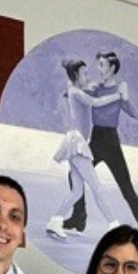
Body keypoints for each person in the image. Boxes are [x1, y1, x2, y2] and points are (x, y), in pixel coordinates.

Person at [59, 50, 138, 250]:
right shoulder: (96, 88)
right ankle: (79, 217)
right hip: (96, 140)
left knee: (127, 189)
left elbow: (135, 114)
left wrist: (125, 98)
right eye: (98, 65)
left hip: (111, 142)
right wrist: (72, 87)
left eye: (102, 65)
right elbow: (74, 94)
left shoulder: (119, 90)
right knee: (73, 175)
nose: (99, 69)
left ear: (112, 68)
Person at [44, 57, 122, 241]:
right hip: (77, 144)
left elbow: (86, 89)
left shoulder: (75, 90)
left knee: (77, 191)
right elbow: (95, 102)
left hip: (77, 142)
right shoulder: (75, 92)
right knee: (97, 187)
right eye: (84, 73)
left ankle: (55, 222)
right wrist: (117, 96)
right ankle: (115, 226)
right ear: (75, 75)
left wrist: (90, 84)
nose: (88, 76)